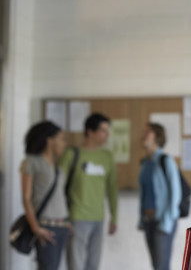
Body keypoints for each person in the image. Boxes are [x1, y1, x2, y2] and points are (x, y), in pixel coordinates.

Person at [60, 113, 118, 270]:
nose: (107, 135)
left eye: (108, 131)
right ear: (90, 132)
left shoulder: (107, 157)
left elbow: (112, 189)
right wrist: (63, 218)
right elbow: (58, 188)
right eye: (103, 130)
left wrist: (114, 217)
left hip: (98, 218)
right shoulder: (72, 154)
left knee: (93, 265)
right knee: (76, 264)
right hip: (76, 217)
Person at [20, 121, 69, 270]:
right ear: (49, 140)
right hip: (46, 227)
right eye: (61, 139)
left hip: (62, 226)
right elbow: (26, 198)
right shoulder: (31, 162)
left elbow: (59, 196)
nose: (64, 144)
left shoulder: (56, 164)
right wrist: (35, 228)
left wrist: (68, 221)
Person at [138, 123, 181, 270]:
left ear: (157, 137)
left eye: (147, 132)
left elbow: (176, 194)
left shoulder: (165, 160)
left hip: (163, 220)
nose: (143, 135)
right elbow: (144, 193)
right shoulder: (145, 163)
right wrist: (141, 219)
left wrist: (167, 221)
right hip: (148, 220)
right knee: (156, 266)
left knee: (162, 266)